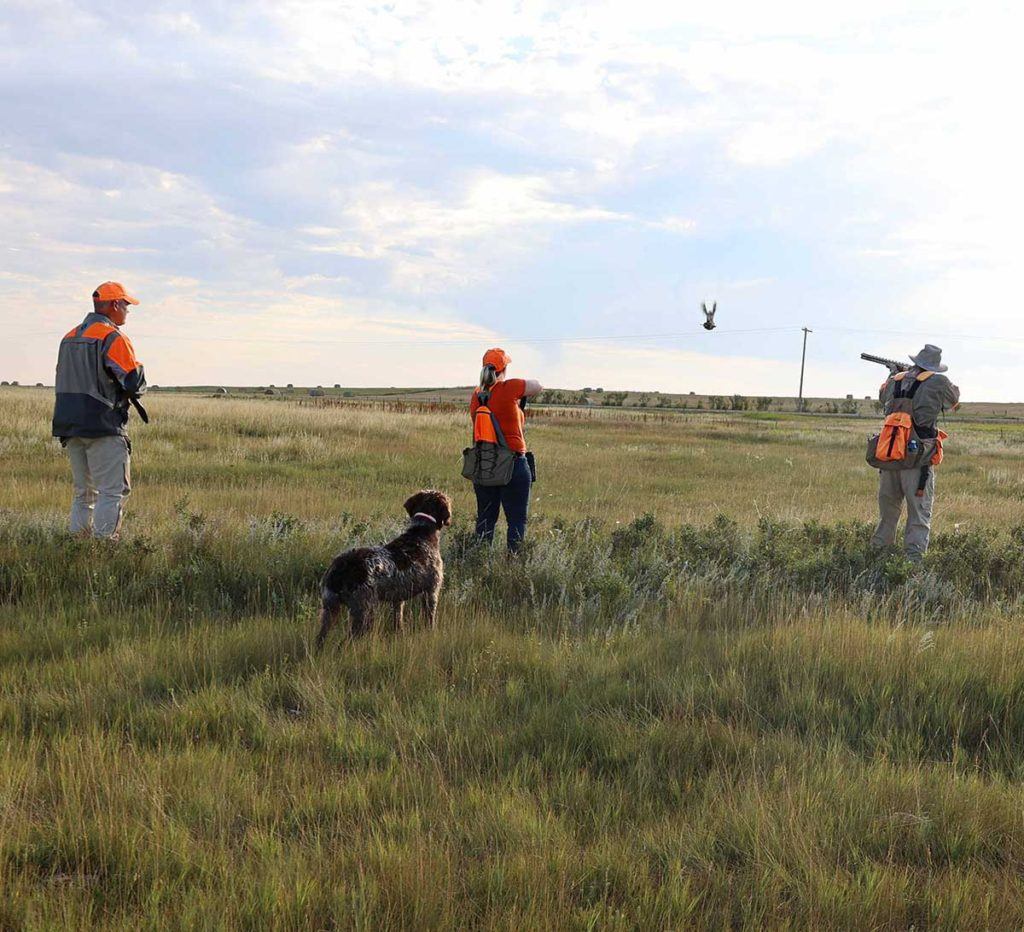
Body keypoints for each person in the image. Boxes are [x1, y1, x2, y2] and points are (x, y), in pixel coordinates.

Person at [52, 282, 147, 541]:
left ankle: (77, 547)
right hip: (103, 426)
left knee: (84, 494)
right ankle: (104, 549)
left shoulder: (69, 336)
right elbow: (133, 382)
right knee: (112, 492)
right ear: (115, 305)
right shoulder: (111, 336)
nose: (128, 310)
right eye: (126, 305)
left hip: (69, 426)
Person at [870, 344, 959, 561]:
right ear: (935, 366)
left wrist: (895, 372)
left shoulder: (895, 380)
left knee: (887, 516)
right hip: (917, 463)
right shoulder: (939, 381)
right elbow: (954, 400)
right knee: (919, 516)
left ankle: (878, 558)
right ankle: (912, 567)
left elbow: (883, 396)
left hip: (889, 459)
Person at [470, 348, 542, 552]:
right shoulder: (510, 388)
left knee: (485, 520)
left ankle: (479, 560)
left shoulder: (476, 396)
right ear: (504, 369)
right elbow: (537, 386)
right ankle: (512, 565)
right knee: (517, 521)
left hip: (484, 464)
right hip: (513, 464)